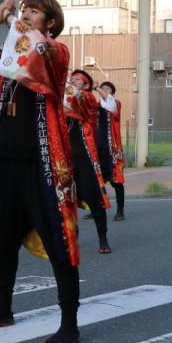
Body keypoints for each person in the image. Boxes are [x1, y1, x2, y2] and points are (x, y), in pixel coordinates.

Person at [0, 0, 82, 343]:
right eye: (24, 9)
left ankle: (69, 322)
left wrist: (19, 27)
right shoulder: (6, 55)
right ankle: (2, 308)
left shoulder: (56, 51)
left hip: (43, 164)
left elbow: (39, 52)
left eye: (35, 11)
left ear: (51, 22)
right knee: (5, 240)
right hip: (7, 162)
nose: (25, 14)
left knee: (59, 241)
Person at [65, 69, 112, 253]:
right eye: (71, 79)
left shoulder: (88, 99)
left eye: (76, 80)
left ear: (86, 86)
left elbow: (77, 102)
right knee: (67, 199)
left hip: (85, 157)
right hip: (66, 158)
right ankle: (71, 238)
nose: (72, 81)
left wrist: (68, 90)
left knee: (94, 199)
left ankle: (103, 238)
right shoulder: (66, 99)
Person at [96, 81, 126, 221]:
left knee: (116, 181)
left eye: (107, 89)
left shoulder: (115, 104)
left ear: (112, 93)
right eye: (102, 88)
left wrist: (97, 87)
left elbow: (109, 104)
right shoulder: (95, 106)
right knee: (96, 180)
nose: (103, 90)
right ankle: (96, 208)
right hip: (97, 147)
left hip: (112, 148)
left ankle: (120, 210)